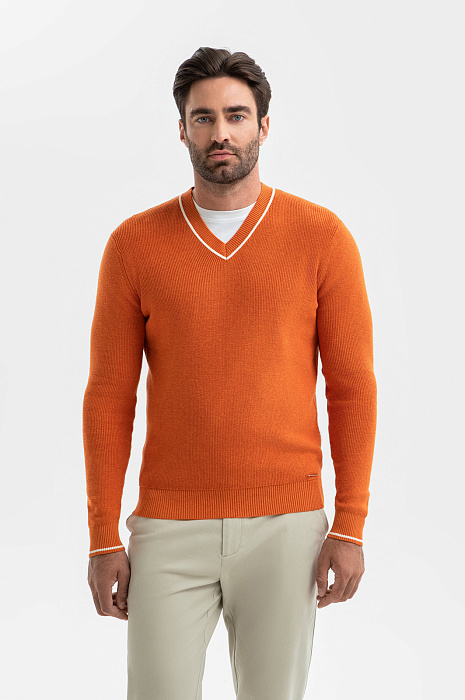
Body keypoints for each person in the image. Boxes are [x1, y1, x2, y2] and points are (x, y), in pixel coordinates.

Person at [84, 46, 377, 700]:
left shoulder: (321, 237)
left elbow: (352, 388)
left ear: (263, 126)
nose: (221, 132)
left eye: (237, 116)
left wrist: (349, 525)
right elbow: (108, 398)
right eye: (204, 117)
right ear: (182, 129)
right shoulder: (134, 245)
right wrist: (103, 537)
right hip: (167, 529)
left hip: (286, 528)